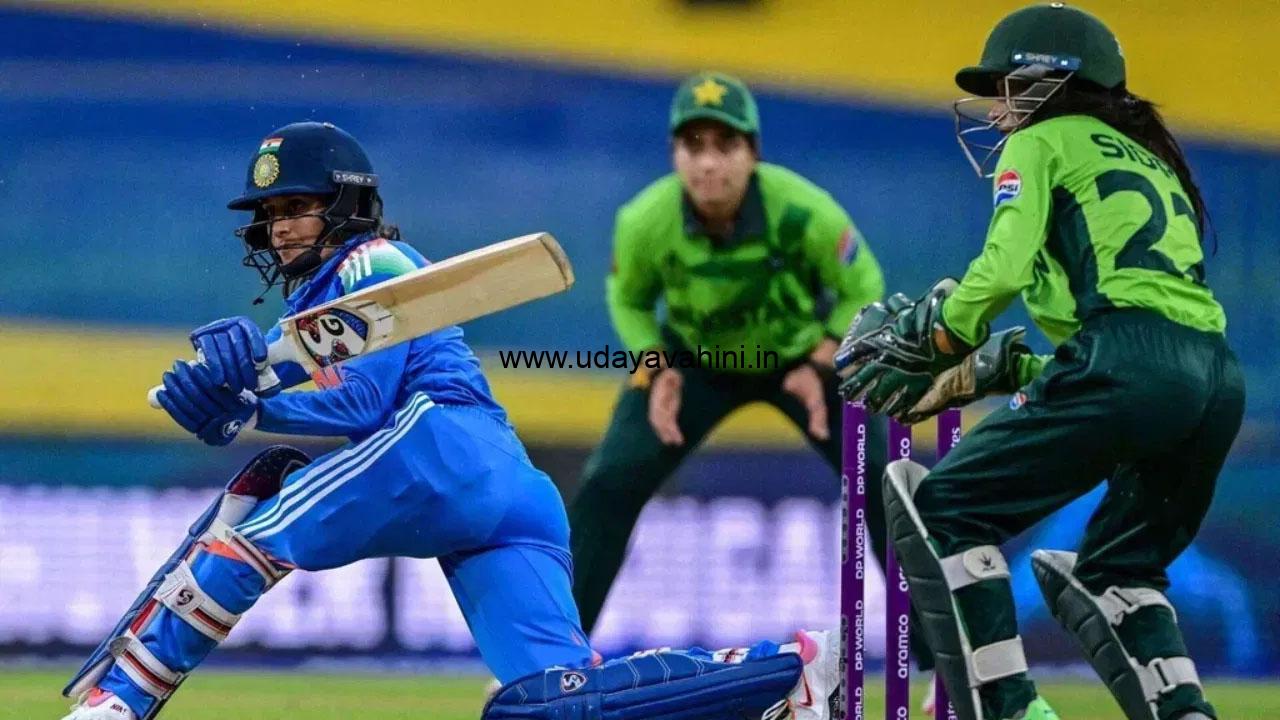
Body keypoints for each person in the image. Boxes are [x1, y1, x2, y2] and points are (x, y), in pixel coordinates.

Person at [61, 121, 841, 720]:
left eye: (296, 207)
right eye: (270, 214)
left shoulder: (371, 265)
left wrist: (253, 406)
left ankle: (118, 702)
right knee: (558, 702)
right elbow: (276, 374)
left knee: (249, 540)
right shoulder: (320, 303)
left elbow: (364, 404)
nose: (281, 227)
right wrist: (231, 401)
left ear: (345, 204)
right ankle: (790, 672)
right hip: (508, 491)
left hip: (439, 445)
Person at [835, 5, 1241, 720]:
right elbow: (1139, 345)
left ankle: (1015, 709)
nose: (996, 109)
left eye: (1005, 88)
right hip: (1216, 382)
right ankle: (1186, 711)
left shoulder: (1041, 139)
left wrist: (939, 341)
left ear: (1047, 81)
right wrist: (1009, 370)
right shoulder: (1149, 158)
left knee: (945, 508)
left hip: (1131, 366)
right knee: (1121, 568)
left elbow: (1002, 275)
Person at [566, 72, 942, 701]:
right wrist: (655, 365)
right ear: (674, 154)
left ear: (753, 153)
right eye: (693, 146)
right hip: (693, 363)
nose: (709, 163)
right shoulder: (645, 221)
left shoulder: (803, 210)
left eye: (726, 145)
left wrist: (823, 358)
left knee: (885, 484)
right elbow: (628, 299)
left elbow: (863, 286)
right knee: (608, 482)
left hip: (802, 360)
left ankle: (942, 667)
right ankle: (554, 665)